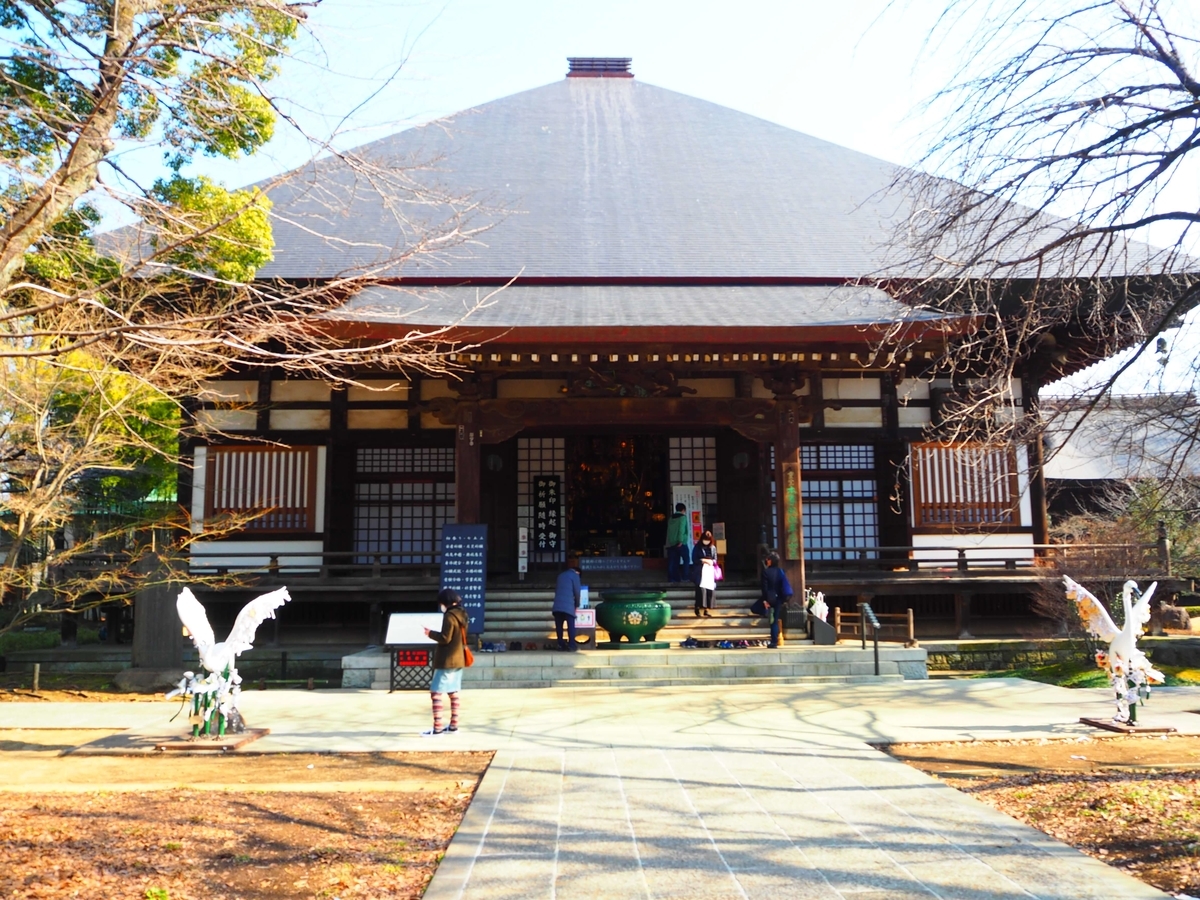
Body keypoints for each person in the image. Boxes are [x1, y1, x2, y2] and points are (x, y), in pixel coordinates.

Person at [422, 588, 469, 736]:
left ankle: (437, 728)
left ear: (446, 603)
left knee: (436, 693)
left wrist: (430, 633)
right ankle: (453, 725)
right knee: (453, 692)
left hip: (447, 660)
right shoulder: (462, 615)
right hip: (459, 659)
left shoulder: (449, 616)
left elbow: (445, 638)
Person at [759, 551, 793, 648]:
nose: (767, 560)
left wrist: (765, 600)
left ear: (770, 561)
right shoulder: (780, 571)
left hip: (770, 598)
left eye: (768, 559)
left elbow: (764, 588)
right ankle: (775, 640)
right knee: (775, 619)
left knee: (772, 620)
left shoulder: (766, 572)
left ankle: (773, 641)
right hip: (779, 598)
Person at [552, 556, 582, 650]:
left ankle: (560, 644)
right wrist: (577, 604)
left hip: (557, 605)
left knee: (559, 626)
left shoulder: (560, 575)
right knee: (570, 625)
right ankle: (571, 645)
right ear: (578, 572)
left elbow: (557, 590)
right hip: (568, 605)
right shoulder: (575, 575)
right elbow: (577, 591)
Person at [691, 529, 718, 617]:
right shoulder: (697, 547)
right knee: (701, 590)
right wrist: (702, 560)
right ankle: (698, 607)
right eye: (705, 539)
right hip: (700, 571)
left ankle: (707, 609)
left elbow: (715, 559)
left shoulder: (713, 548)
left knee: (710, 590)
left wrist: (711, 562)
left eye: (708, 540)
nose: (706, 542)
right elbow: (694, 559)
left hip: (709, 571)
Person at [666, 502, 690, 582]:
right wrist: (680, 540)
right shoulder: (683, 518)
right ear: (683, 510)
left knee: (673, 561)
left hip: (672, 543)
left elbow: (669, 531)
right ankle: (685, 577)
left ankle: (673, 578)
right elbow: (681, 530)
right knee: (686, 559)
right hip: (681, 543)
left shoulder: (671, 518)